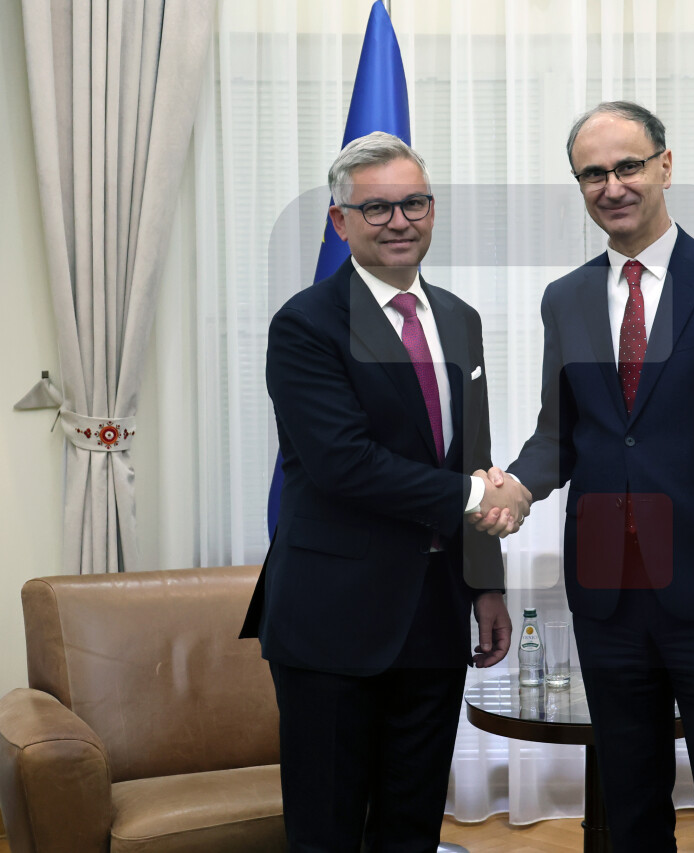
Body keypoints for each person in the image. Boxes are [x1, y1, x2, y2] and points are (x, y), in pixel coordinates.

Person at [479, 102, 694, 851]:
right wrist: (517, 487)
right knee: (628, 803)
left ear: (665, 164)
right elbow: (561, 433)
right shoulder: (565, 298)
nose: (612, 185)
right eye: (592, 174)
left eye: (627, 166)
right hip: (607, 593)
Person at [240, 131, 531, 853]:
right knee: (329, 831)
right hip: (332, 621)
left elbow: (470, 456)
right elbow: (344, 464)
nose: (399, 221)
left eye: (414, 203)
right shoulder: (305, 324)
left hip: (434, 615)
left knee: (412, 826)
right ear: (339, 222)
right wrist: (477, 497)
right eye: (376, 208)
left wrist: (484, 585)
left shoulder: (459, 318)